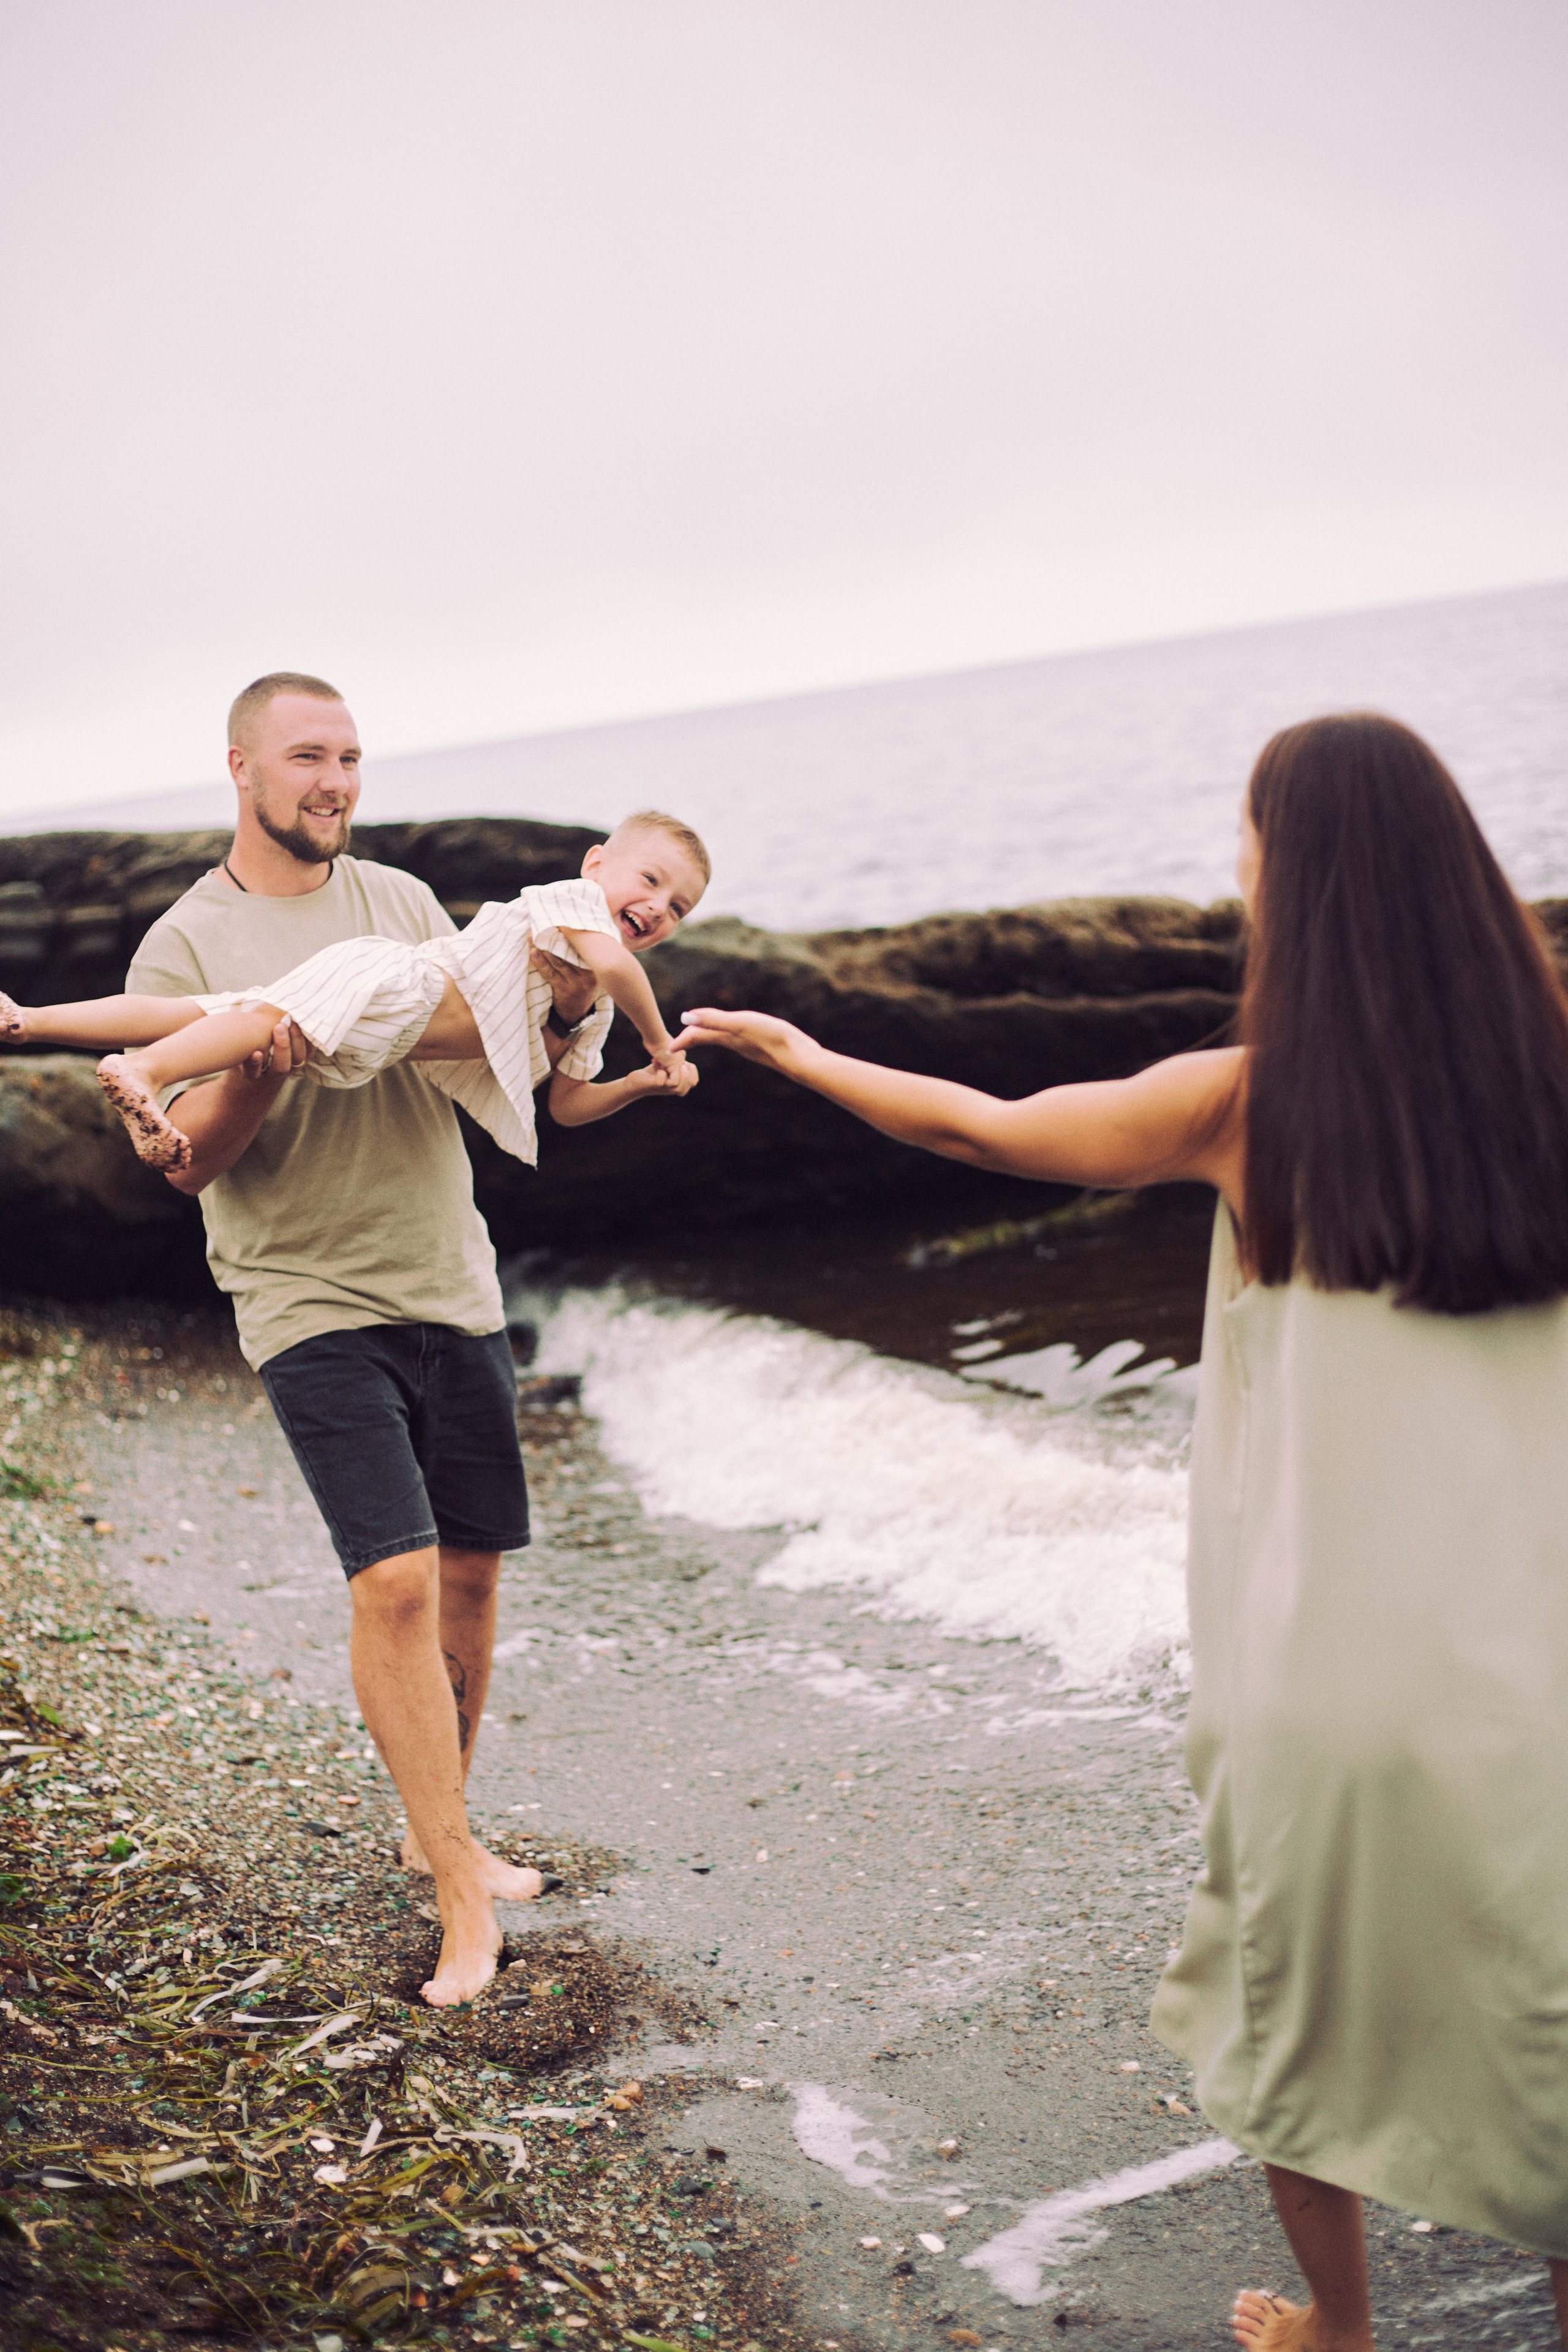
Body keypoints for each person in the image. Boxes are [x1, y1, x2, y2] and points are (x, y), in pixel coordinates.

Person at [676, 712, 1568, 2350]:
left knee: (1288, 2014)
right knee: (1555, 2032)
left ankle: (1344, 2331)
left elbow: (985, 1128)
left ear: (1286, 879)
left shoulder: (1241, 1104)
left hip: (1331, 1686)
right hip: (1542, 1677)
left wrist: (807, 1059)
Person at [94, 671, 645, 2008]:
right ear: (241, 768)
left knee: (469, 1577)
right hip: (305, 1297)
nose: (334, 782)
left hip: (448, 1279)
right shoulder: (182, 945)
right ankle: (460, 1889)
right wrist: (257, 1067)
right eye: (306, 759)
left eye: (349, 757)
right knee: (388, 1584)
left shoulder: (398, 905)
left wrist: (574, 1011)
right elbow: (195, 1171)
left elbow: (476, 1036)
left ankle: (431, 1821)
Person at [2, 811, 708, 1174]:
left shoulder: (598, 1000)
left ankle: (25, 1022)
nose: (658, 908)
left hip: (387, 1033)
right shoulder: (573, 909)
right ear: (596, 863)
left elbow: (565, 1104)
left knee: (217, 1010)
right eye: (650, 881)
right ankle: (146, 1072)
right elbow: (615, 967)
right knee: (252, 1020)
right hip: (399, 982)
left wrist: (640, 1084)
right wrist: (658, 1041)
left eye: (678, 908)